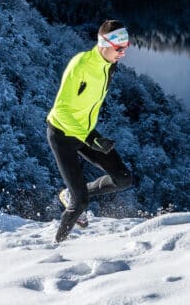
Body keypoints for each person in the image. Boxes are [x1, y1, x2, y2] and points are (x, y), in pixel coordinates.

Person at [47, 19, 134, 242]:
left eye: (126, 48)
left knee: (123, 179)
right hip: (63, 135)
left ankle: (71, 194)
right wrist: (91, 137)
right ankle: (56, 246)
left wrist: (89, 135)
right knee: (80, 204)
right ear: (104, 43)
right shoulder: (81, 65)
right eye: (119, 49)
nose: (123, 54)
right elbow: (61, 110)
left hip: (85, 133)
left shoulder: (109, 65)